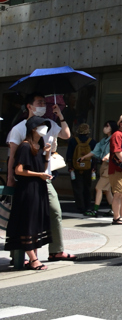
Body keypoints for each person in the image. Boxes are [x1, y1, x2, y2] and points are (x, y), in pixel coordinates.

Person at [5, 92, 74, 266]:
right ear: (29, 106)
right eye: (39, 102)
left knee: (53, 212)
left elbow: (66, 135)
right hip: (27, 181)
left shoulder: (49, 124)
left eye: (44, 102)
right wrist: (10, 178)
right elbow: (13, 157)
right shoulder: (19, 129)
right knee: (27, 218)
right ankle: (24, 257)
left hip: (45, 177)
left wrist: (60, 115)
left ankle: (56, 251)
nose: (43, 104)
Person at [5, 117, 54, 271]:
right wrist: (38, 175)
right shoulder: (25, 147)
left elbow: (42, 167)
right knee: (28, 223)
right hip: (28, 190)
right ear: (33, 128)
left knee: (35, 222)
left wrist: (46, 154)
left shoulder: (38, 146)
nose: (44, 129)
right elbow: (19, 170)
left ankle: (34, 257)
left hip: (38, 188)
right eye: (41, 126)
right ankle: (33, 259)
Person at [87, 120, 116, 218]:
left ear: (112, 127)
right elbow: (95, 151)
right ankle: (113, 210)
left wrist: (108, 155)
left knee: (98, 188)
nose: (105, 128)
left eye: (107, 126)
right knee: (107, 190)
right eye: (105, 126)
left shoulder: (114, 138)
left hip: (110, 166)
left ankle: (95, 210)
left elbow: (114, 150)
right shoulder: (104, 140)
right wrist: (83, 157)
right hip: (104, 165)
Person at [66, 123, 96, 214]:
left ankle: (80, 206)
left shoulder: (73, 141)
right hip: (88, 167)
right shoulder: (92, 142)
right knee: (87, 187)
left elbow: (69, 155)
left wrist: (70, 166)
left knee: (77, 187)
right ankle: (87, 205)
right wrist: (94, 167)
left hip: (76, 167)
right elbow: (94, 155)